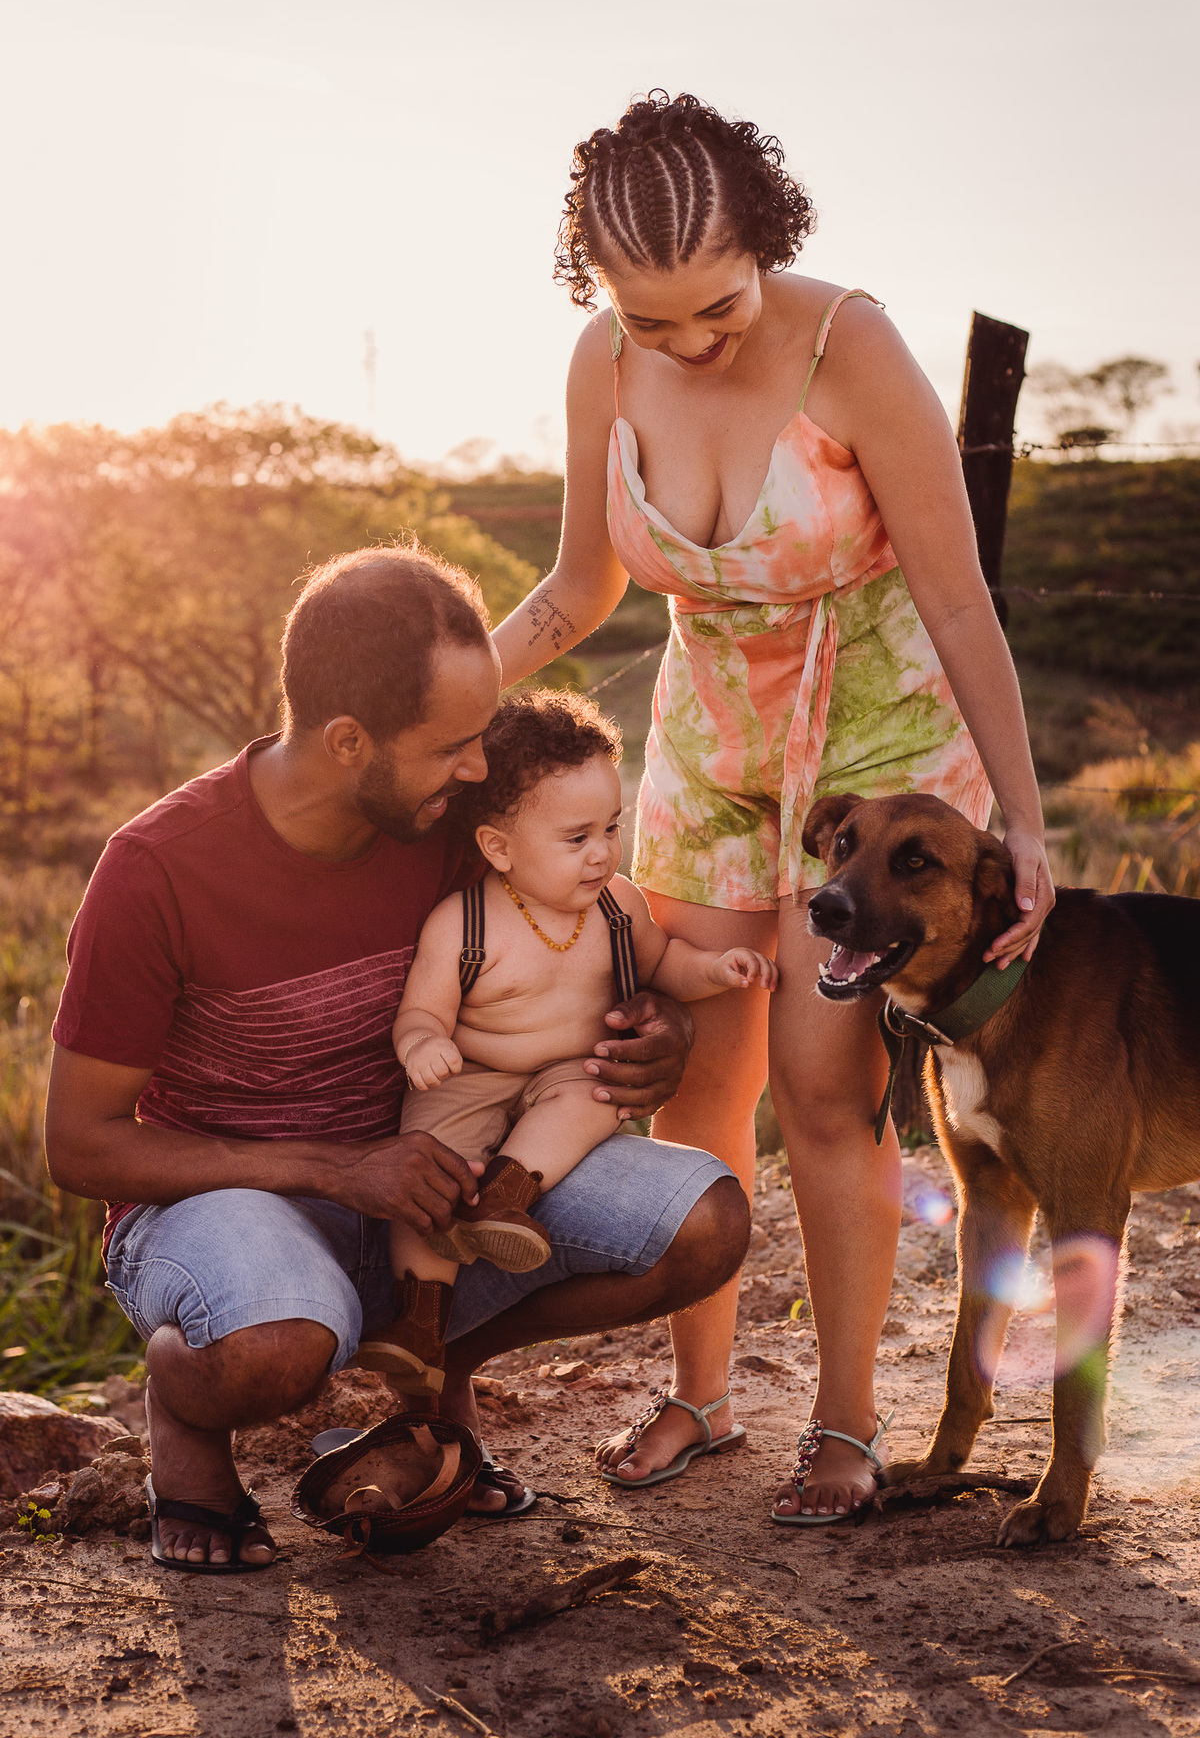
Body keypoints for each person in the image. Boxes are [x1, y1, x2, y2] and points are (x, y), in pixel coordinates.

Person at [491, 91, 1055, 1523]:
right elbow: (579, 587)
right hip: (708, 743)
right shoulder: (604, 362)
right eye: (650, 318)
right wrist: (442, 708)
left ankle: (850, 1423)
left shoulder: (849, 344)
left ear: (768, 237)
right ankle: (702, 1398)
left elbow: (954, 594)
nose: (686, 344)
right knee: (695, 1076)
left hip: (875, 749)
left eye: (716, 310)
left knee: (819, 1088)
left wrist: (1026, 826)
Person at [44, 543, 750, 1572]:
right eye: (454, 746)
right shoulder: (157, 872)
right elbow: (80, 1146)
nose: (480, 769)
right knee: (275, 1350)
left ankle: (429, 1371)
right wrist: (331, 1168)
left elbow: (585, 940)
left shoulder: (451, 821)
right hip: (230, 1199)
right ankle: (186, 1422)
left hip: (436, 1176)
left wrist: (659, 1026)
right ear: (345, 741)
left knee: (705, 1225)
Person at [357, 688, 776, 1395]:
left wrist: (714, 969)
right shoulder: (465, 925)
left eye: (610, 828)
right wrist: (423, 1045)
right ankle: (419, 1320)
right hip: (469, 1079)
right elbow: (421, 1012)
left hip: (563, 1074)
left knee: (595, 1093)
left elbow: (660, 962)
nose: (602, 854)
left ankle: (503, 1196)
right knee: (427, 1182)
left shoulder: (619, 906)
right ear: (499, 847)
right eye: (576, 839)